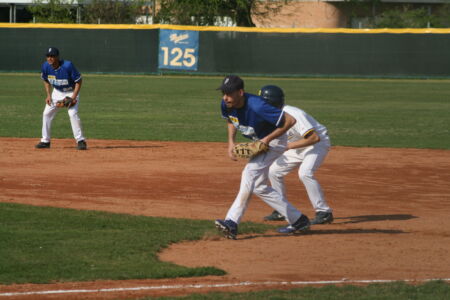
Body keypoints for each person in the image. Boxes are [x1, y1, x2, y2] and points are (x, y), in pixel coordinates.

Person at [214, 75, 310, 239]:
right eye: (224, 92)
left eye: (229, 93)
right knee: (258, 186)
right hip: (260, 139)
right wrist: (231, 142)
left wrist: (266, 140)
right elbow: (230, 121)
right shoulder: (227, 103)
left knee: (249, 173)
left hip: (275, 141)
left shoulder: (258, 106)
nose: (225, 97)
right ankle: (298, 219)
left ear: (241, 92)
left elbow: (290, 120)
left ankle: (231, 222)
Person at [260, 85, 333, 225]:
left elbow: (314, 138)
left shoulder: (293, 113)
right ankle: (281, 210)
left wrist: (287, 147)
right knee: (274, 171)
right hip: (298, 145)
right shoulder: (272, 116)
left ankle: (324, 212)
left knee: (305, 173)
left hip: (316, 145)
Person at [35, 47, 87, 150]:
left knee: (72, 113)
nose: (50, 58)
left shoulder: (68, 66)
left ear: (57, 57)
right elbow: (45, 80)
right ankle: (45, 141)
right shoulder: (45, 66)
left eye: (52, 56)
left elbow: (79, 81)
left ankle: (80, 141)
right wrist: (49, 95)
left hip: (71, 91)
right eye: (48, 56)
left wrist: (73, 97)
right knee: (46, 113)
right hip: (57, 92)